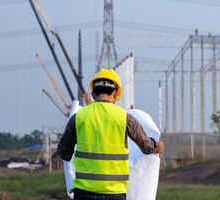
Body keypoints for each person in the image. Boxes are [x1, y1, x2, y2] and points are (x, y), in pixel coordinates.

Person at [57, 68, 164, 199]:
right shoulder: (126, 119)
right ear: (116, 92)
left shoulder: (78, 117)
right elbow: (147, 147)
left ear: (93, 94)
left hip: (83, 194)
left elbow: (63, 152)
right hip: (114, 195)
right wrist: (157, 146)